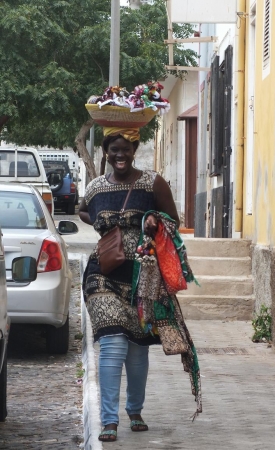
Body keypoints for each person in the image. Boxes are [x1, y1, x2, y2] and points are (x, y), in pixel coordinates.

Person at [79, 128, 180, 442]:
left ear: (134, 149)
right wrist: (98, 221)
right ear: (106, 152)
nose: (119, 156)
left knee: (137, 349)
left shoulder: (152, 183)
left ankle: (134, 409)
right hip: (103, 274)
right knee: (112, 344)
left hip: (142, 277)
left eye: (125, 150)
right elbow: (83, 209)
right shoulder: (96, 187)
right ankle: (109, 420)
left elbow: (174, 220)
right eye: (113, 150)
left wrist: (154, 221)